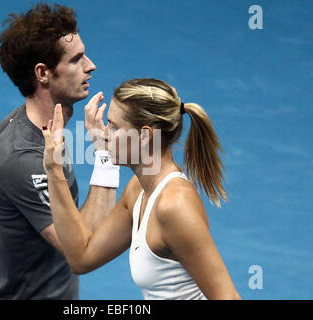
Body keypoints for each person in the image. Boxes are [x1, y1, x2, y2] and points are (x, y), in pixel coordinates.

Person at [0, 3, 119, 300]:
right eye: (76, 60)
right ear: (43, 73)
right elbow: (83, 249)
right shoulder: (25, 159)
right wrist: (106, 155)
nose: (91, 65)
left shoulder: (18, 124)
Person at [41, 78, 242, 300]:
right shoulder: (138, 190)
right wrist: (54, 170)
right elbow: (81, 257)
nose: (105, 133)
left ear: (146, 135)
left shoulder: (173, 206)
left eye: (114, 127)